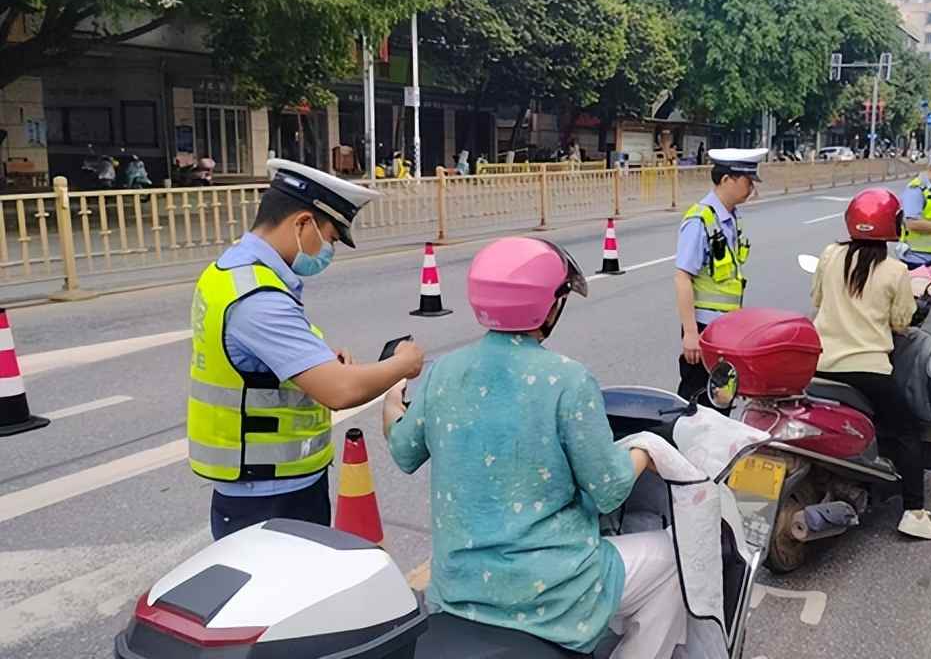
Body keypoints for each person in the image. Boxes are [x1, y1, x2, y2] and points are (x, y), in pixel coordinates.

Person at [381, 237, 683, 659]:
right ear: (550, 306)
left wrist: (391, 398)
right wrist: (647, 450)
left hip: (457, 587)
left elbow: (403, 449)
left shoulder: (443, 373)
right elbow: (610, 488)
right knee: (671, 560)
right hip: (550, 593)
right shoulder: (568, 380)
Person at [189, 159, 426, 540]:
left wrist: (318, 365)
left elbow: (252, 368)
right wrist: (402, 364)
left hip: (267, 485)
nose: (329, 250)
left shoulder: (231, 272)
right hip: (271, 498)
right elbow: (340, 391)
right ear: (302, 224)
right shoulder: (258, 298)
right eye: (330, 238)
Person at [810, 188, 931, 540]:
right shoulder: (895, 270)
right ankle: (913, 512)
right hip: (868, 371)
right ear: (894, 225)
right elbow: (901, 322)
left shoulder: (830, 255)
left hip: (819, 367)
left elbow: (817, 299)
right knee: (908, 431)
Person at [674, 148, 762, 403]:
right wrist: (691, 333)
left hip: (726, 327)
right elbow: (682, 277)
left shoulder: (731, 218)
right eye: (748, 182)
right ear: (727, 180)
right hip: (704, 328)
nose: (752, 190)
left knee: (721, 398)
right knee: (696, 400)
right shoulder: (700, 220)